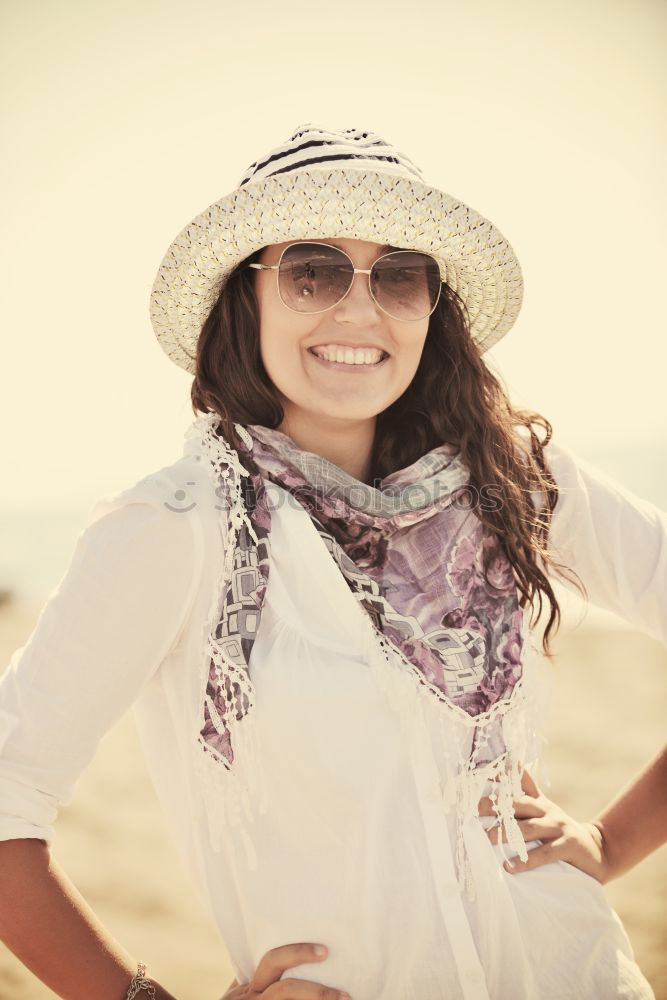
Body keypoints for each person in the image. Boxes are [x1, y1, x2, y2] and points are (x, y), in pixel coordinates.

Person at [0, 123, 665, 1000]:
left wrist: (613, 843)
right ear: (249, 299)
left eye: (399, 274)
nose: (360, 311)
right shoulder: (173, 524)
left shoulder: (516, 477)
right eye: (312, 272)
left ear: (433, 304)